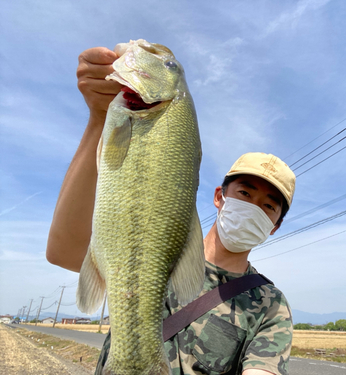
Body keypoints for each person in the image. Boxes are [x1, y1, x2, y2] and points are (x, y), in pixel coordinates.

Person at [46, 47, 296, 375]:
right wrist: (98, 118)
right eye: (245, 193)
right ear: (219, 197)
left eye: (267, 206)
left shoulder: (270, 305)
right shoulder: (163, 249)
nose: (252, 208)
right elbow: (62, 252)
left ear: (275, 225)